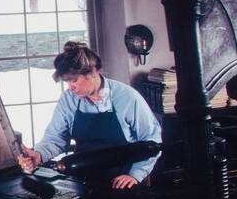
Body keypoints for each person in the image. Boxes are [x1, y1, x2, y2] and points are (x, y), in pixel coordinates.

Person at [17, 42, 161, 189]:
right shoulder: (69, 99)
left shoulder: (127, 97)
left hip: (122, 179)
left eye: (74, 81)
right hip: (82, 179)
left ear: (92, 73)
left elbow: (152, 141)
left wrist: (135, 174)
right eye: (67, 82)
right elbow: (56, 137)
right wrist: (38, 155)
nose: (70, 87)